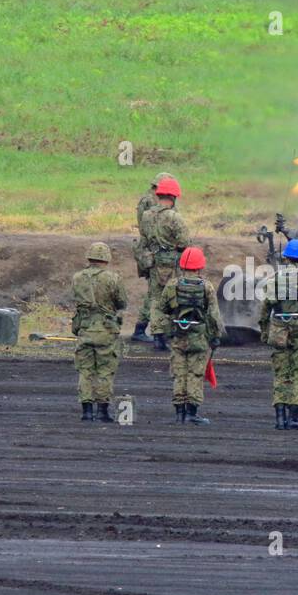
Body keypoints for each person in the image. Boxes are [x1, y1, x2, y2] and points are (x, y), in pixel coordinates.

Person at [158, 246, 222, 424]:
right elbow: (214, 314)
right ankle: (192, 414)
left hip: (178, 336)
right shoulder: (206, 286)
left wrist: (165, 329)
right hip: (199, 337)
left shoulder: (172, 285)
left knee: (179, 374)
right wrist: (216, 337)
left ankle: (179, 413)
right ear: (200, 266)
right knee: (195, 374)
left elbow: (162, 308)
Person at [71, 242, 128, 423]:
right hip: (106, 330)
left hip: (85, 328)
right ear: (106, 259)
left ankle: (86, 411)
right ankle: (102, 411)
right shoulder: (113, 278)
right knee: (105, 371)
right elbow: (122, 302)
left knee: (85, 371)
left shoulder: (77, 277)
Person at [261, 239, 298, 430]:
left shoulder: (276, 277)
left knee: (280, 373)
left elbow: (266, 308)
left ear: (286, 257)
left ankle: (279, 418)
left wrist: (265, 331)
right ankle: (294, 418)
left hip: (278, 328)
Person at [140, 176, 190, 351]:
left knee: (155, 298)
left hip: (153, 261)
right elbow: (185, 242)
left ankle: (157, 335)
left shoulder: (146, 215)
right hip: (172, 263)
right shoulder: (174, 217)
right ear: (174, 197)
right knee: (172, 298)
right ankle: (170, 333)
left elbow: (144, 237)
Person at [132, 172, 174, 343]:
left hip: (152, 251)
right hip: (154, 252)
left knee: (154, 292)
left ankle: (142, 328)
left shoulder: (150, 199)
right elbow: (148, 230)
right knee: (155, 293)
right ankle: (145, 329)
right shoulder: (150, 201)